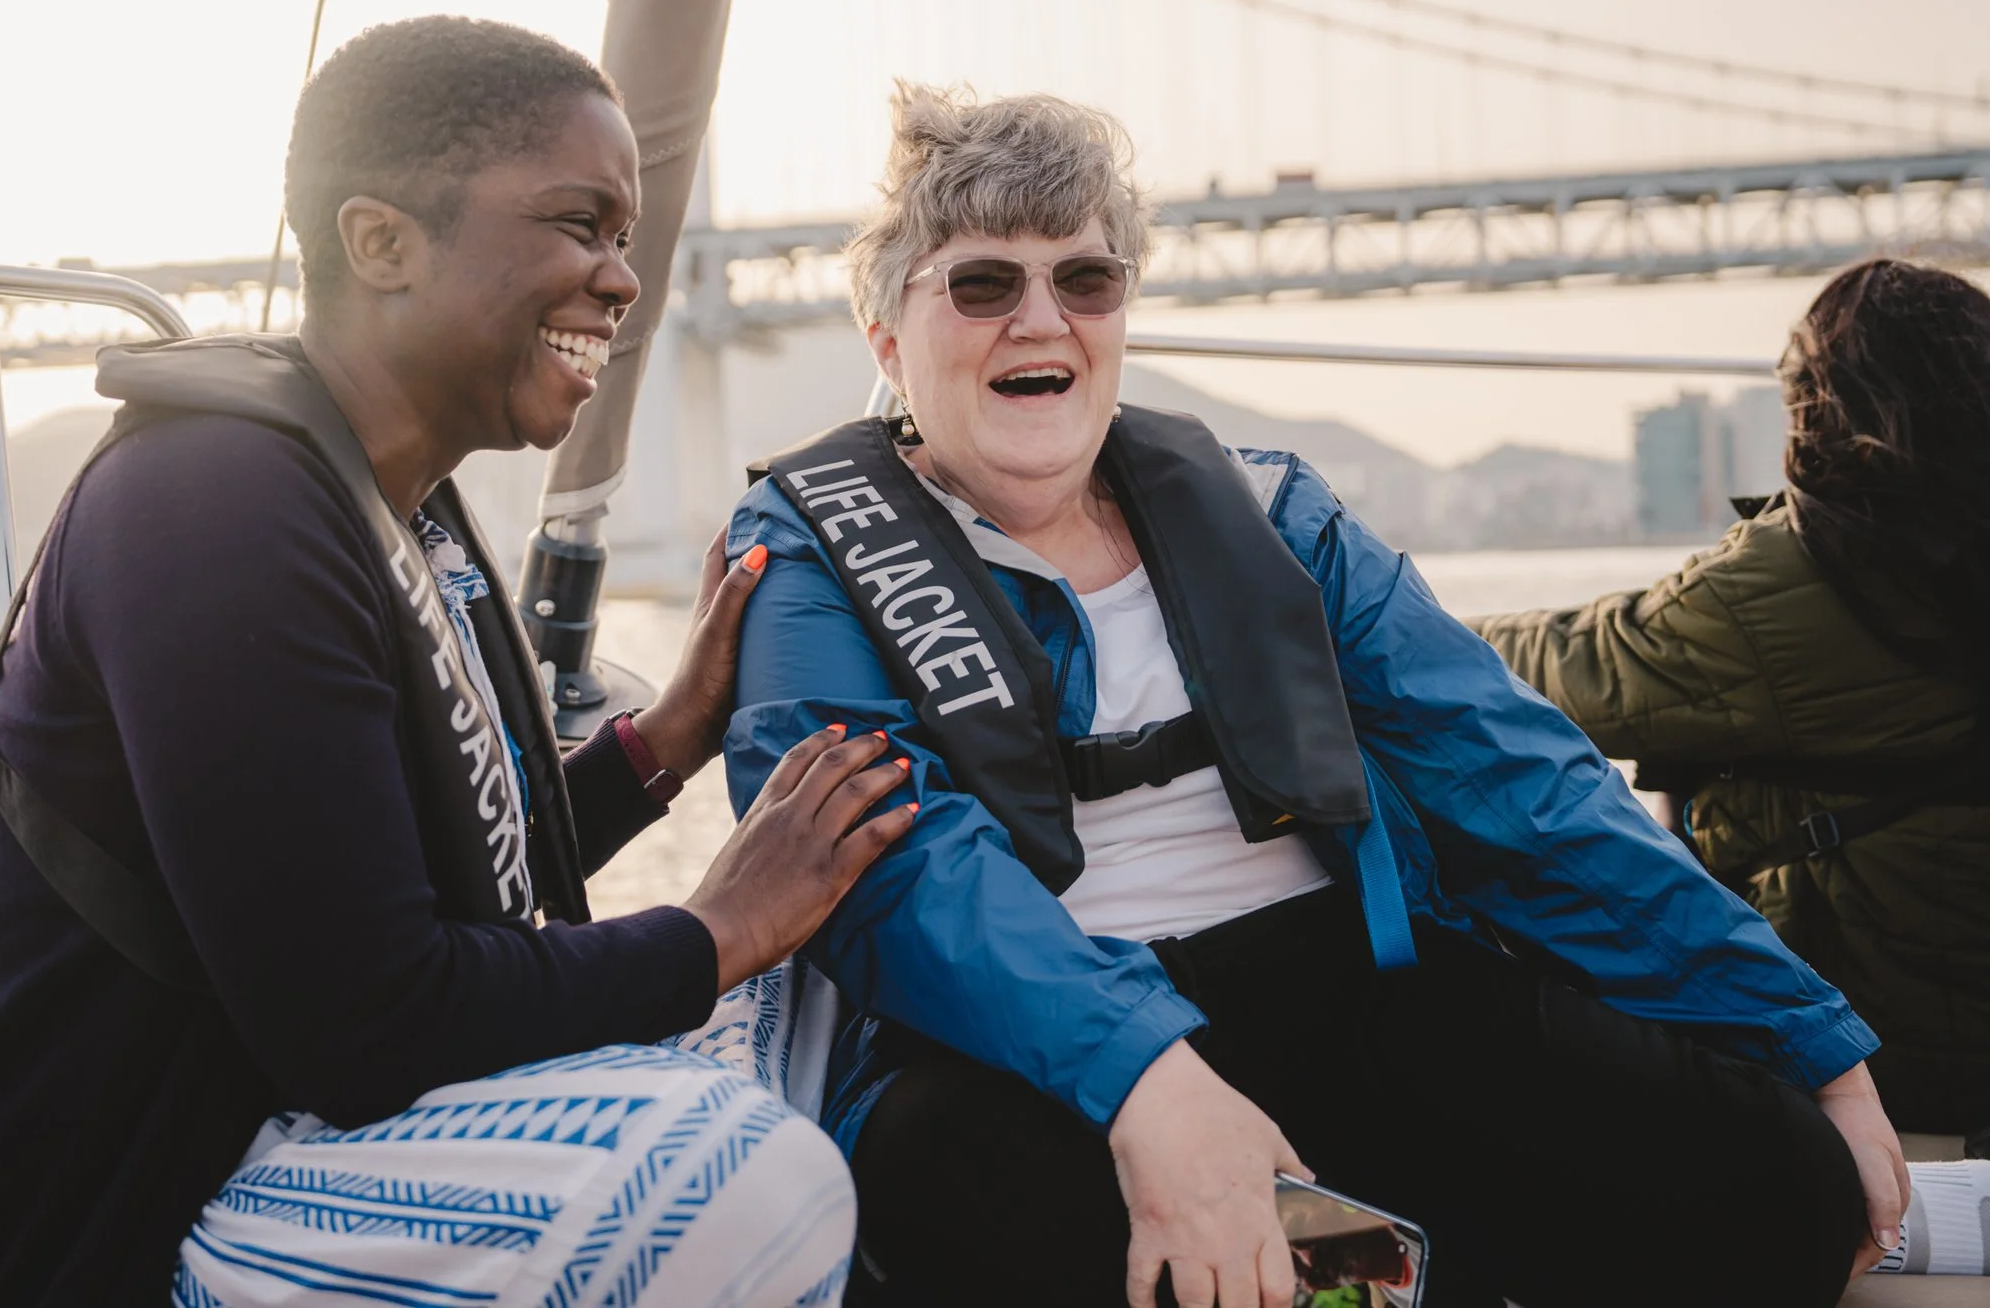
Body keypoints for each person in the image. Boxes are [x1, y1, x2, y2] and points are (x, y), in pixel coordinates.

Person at [719, 83, 1908, 1308]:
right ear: (885, 340)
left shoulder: (1277, 513)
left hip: (1340, 993)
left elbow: (1514, 774)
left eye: (1085, 279)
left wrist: (1806, 1040)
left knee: (1786, 1186)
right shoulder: (810, 551)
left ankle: (1368, 1259)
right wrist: (1151, 1080)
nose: (1042, 319)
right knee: (959, 1194)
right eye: (981, 284)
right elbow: (899, 868)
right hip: (1022, 1043)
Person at [0, 16, 913, 1308]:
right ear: (382, 240)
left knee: (840, 1007)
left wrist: (664, 739)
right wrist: (718, 924)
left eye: (624, 237)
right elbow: (371, 1018)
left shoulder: (396, 498)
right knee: (731, 1171)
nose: (625, 280)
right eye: (580, 223)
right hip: (125, 1228)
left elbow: (427, 877)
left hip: (298, 1147)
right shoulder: (212, 505)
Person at [1473, 255, 1990, 1143]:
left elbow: (1574, 664)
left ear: (1824, 405)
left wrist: (1373, 616)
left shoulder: (1804, 577)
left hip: (1868, 1047)